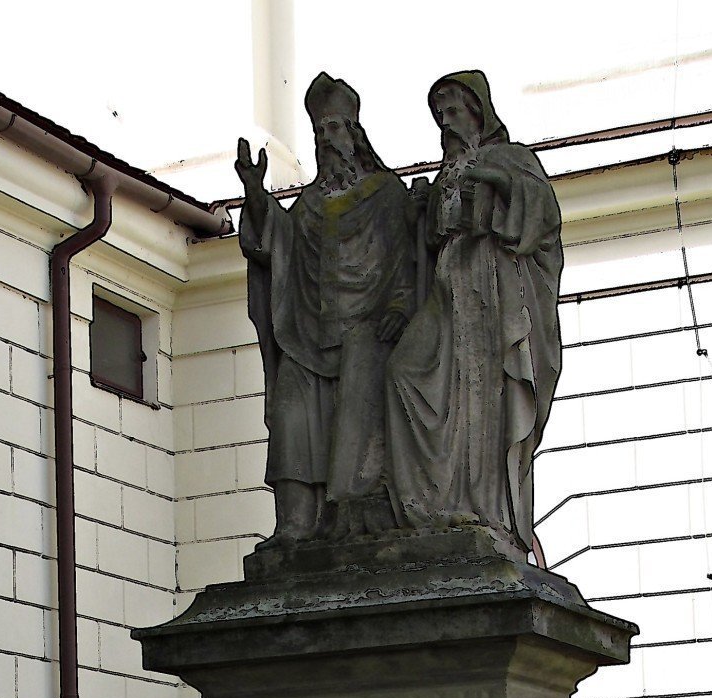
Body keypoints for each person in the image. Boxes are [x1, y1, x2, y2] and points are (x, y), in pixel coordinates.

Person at [386, 70, 562, 556]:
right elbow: (430, 238)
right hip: (448, 282)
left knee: (483, 392)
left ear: (479, 111)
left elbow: (542, 215)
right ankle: (431, 501)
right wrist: (421, 213)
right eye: (439, 114)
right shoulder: (447, 168)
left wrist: (497, 180)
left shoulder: (512, 157)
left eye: (454, 111)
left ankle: (484, 507)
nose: (446, 122)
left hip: (491, 286)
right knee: (404, 371)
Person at [236, 74, 416, 538]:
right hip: (308, 334)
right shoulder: (310, 204)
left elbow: (405, 257)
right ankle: (296, 523)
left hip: (369, 333)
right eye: (318, 132)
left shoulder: (387, 194)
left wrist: (399, 302)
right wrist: (256, 194)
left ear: (354, 134)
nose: (325, 140)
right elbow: (275, 243)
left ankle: (356, 518)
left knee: (363, 412)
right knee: (290, 413)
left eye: (333, 129)